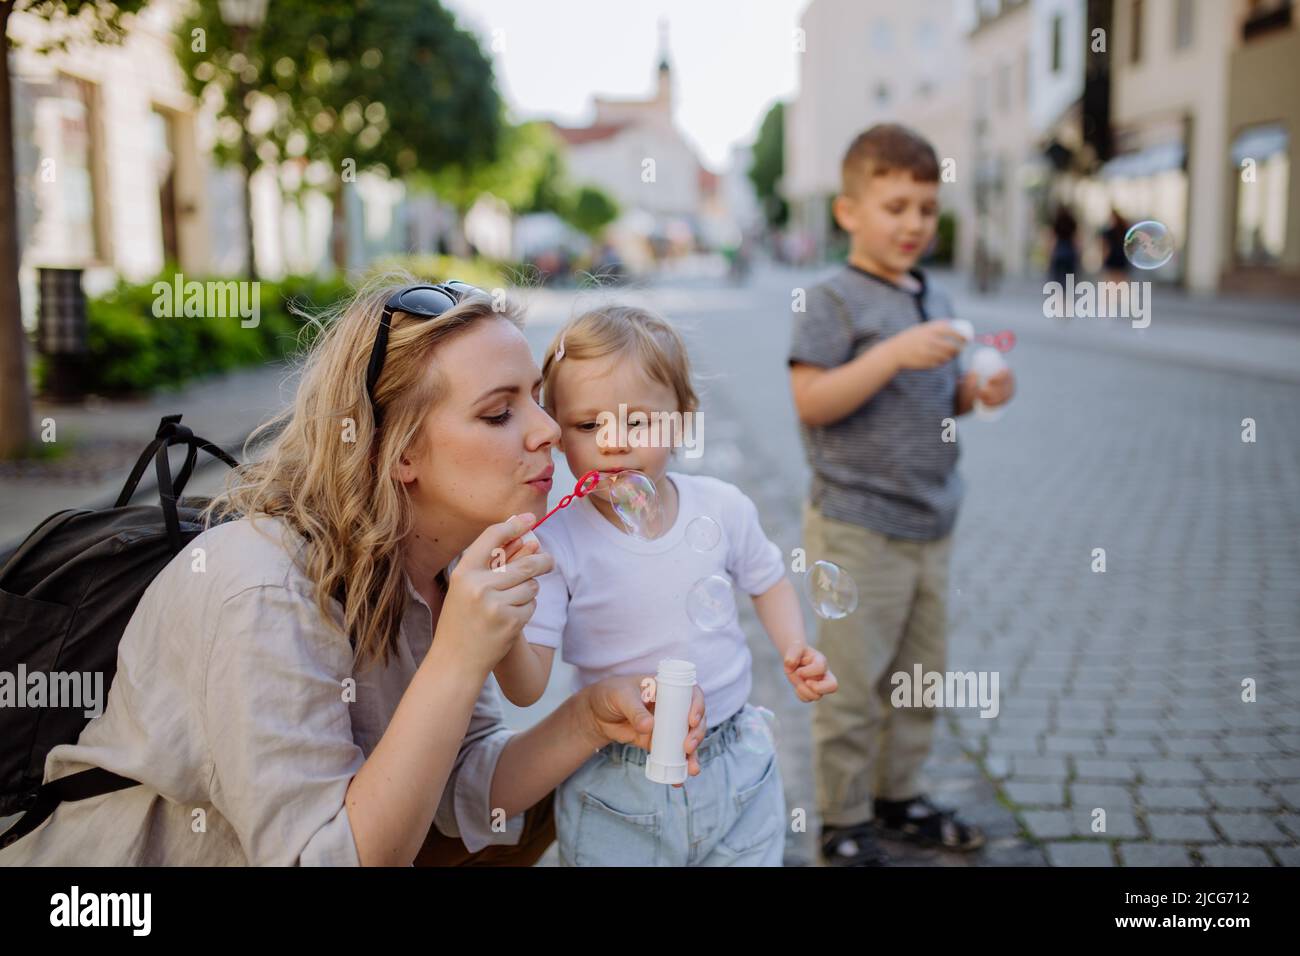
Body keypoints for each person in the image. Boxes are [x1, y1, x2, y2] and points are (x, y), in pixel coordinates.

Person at [0, 273, 707, 867]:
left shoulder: (441, 565)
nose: (550, 431)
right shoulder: (263, 587)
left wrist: (586, 718)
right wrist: (459, 660)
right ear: (399, 454)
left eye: (536, 398)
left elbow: (459, 783)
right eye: (500, 413)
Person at [492, 305, 838, 866]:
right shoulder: (556, 543)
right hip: (616, 775)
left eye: (637, 422)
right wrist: (503, 616)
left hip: (733, 762)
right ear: (556, 435)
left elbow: (767, 578)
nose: (613, 442)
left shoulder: (722, 507)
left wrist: (794, 647)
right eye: (587, 425)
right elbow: (526, 688)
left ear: (682, 420)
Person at [787, 124, 1015, 866]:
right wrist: (890, 354)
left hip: (930, 523)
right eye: (895, 206)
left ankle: (898, 795)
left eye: (926, 207)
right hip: (856, 526)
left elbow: (940, 400)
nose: (914, 223)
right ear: (849, 211)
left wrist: (979, 390)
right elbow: (813, 401)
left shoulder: (933, 295)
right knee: (853, 686)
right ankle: (842, 818)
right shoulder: (832, 301)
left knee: (919, 679)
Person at [1048, 205, 1080, 288]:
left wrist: (1051, 251)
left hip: (1060, 250)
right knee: (1070, 277)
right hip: (1069, 251)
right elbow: (1075, 238)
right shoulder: (1072, 222)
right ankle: (1067, 295)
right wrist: (1078, 250)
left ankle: (1059, 294)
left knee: (1058, 277)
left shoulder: (1057, 221)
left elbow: (1053, 238)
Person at [1100, 208, 1130, 283]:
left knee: (1111, 283)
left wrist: (1103, 260)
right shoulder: (1125, 230)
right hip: (1122, 259)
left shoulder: (1108, 232)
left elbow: (1105, 248)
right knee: (1121, 282)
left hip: (1112, 260)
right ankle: (1120, 294)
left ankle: (1113, 294)